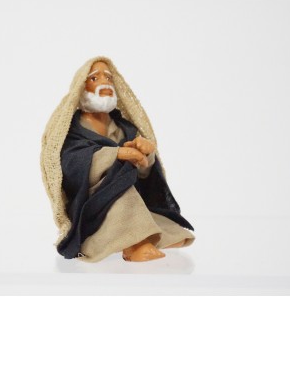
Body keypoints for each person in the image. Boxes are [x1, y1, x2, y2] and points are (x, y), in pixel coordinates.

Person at [40, 56, 195, 262]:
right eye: (94, 78)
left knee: (178, 234)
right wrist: (117, 154)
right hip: (94, 204)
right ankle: (134, 245)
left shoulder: (125, 129)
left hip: (132, 200)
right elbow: (71, 164)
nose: (104, 83)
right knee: (121, 189)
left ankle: (138, 236)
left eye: (109, 78)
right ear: (81, 88)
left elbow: (143, 175)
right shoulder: (72, 130)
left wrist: (146, 156)